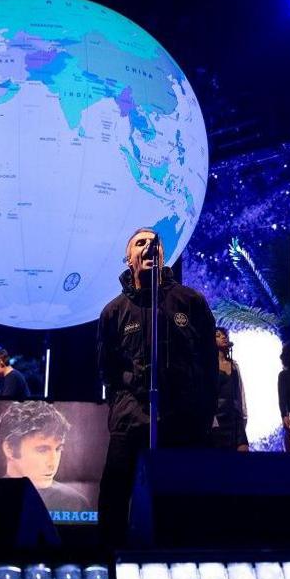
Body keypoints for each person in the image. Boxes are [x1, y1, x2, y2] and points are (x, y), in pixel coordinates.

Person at [96, 227, 218, 544]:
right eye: (141, 243)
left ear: (163, 255)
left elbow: (207, 362)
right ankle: (111, 561)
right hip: (131, 420)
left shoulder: (190, 302)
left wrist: (204, 414)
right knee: (116, 494)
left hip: (182, 420)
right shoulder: (113, 312)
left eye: (155, 243)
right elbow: (107, 368)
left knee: (185, 497)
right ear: (129, 258)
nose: (150, 246)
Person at [0, 401, 90, 512]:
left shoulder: (76, 503)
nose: (52, 464)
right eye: (42, 450)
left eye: (58, 448)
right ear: (10, 449)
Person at [210, 328, 249, 451]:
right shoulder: (209, 366)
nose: (223, 337)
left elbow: (240, 392)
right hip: (217, 421)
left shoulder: (234, 365)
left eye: (225, 335)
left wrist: (244, 416)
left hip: (235, 420)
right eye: (218, 335)